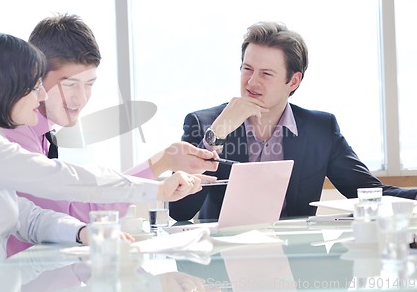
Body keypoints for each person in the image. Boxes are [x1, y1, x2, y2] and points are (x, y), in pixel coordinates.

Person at [0, 32, 207, 291]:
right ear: (3, 89)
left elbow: (28, 217)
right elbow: (59, 179)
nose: (41, 96)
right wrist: (153, 189)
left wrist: (82, 232)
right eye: (34, 87)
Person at [3, 14, 218, 255]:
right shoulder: (18, 133)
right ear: (37, 76)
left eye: (89, 84)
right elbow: (78, 215)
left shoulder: (42, 134)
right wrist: (161, 164)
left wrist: (165, 160)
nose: (81, 98)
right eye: (70, 84)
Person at [169, 21, 417, 222]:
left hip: (296, 263)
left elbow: (367, 192)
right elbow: (179, 211)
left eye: (266, 73)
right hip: (221, 268)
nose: (252, 82)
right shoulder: (204, 124)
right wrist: (217, 135)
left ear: (294, 81)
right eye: (247, 69)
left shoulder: (321, 129)